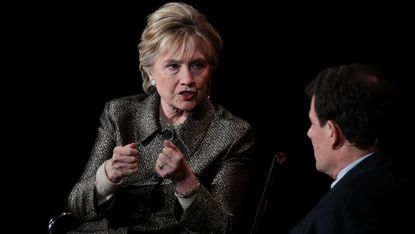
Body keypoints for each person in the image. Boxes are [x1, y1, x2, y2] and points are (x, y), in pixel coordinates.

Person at [67, 2, 256, 233]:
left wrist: (185, 180)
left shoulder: (233, 134)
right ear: (150, 71)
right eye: (173, 66)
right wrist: (107, 175)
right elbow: (78, 207)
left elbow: (225, 228)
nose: (187, 79)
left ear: (211, 68)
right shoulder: (119, 114)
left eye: (198, 65)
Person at [290, 63, 415, 234]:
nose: (309, 133)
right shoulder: (402, 181)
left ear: (333, 133)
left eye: (312, 123)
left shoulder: (341, 214)